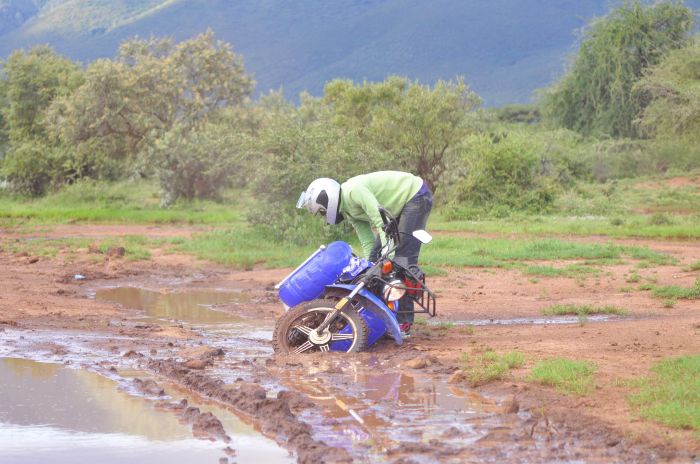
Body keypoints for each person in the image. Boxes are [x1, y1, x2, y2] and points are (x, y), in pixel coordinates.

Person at [296, 171, 433, 337]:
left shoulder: (354, 191)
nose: (325, 216)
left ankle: (403, 322)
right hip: (395, 209)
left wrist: (388, 256)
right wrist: (371, 265)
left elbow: (381, 221)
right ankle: (383, 316)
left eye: (323, 212)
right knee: (376, 261)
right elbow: (367, 241)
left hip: (414, 195)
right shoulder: (348, 209)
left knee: (401, 260)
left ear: (327, 199)